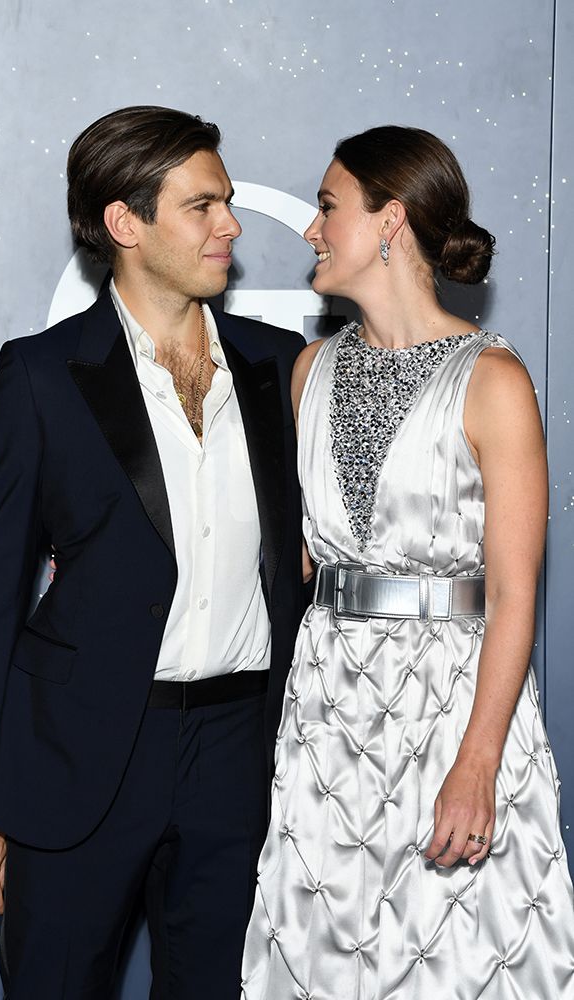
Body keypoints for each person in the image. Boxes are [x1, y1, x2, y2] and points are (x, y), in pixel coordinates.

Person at [0, 105, 305, 999]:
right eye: (202, 205)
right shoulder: (40, 377)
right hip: (79, 755)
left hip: (237, 753)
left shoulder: (277, 364)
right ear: (124, 223)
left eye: (226, 202)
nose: (232, 224)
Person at [241, 125, 574, 999]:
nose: (310, 231)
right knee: (321, 956)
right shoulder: (309, 369)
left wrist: (477, 765)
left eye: (325, 207)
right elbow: (288, 554)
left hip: (451, 707)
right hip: (327, 711)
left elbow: (512, 596)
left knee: (459, 959)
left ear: (389, 220)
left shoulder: (491, 380)